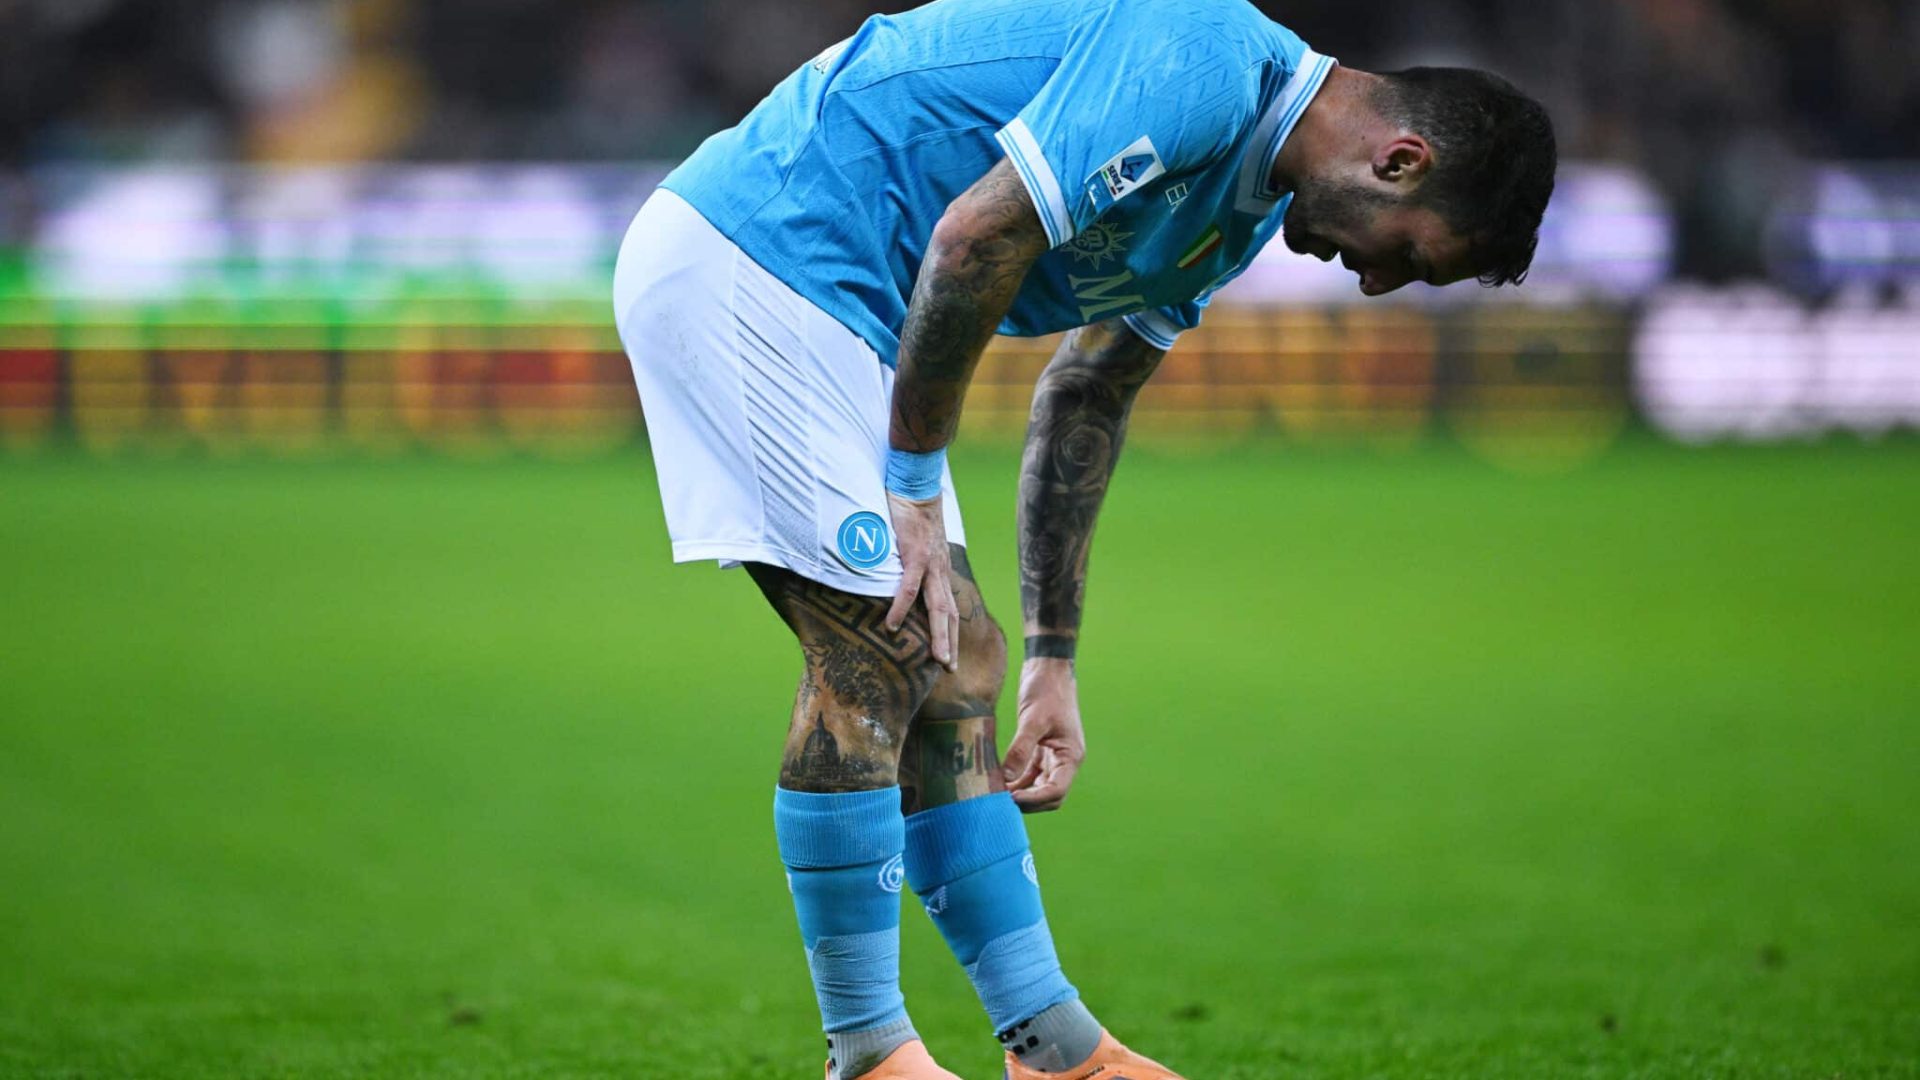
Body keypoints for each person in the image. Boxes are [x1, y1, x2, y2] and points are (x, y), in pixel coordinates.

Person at [611, 0, 1555, 1076]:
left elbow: (1088, 395)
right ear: (1400, 161)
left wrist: (1054, 662)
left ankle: (1054, 1050)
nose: (1379, 280)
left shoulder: (1239, 210)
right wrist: (912, 482)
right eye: (1411, 258)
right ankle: (869, 1051)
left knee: (962, 658)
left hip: (843, 305)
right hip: (760, 257)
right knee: (882, 643)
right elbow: (978, 232)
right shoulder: (1204, 55)